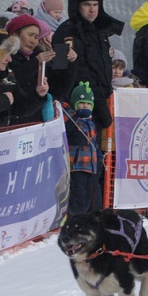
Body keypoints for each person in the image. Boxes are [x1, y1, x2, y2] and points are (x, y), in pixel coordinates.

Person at [53, 0, 123, 130]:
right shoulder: (65, 32)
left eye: (95, 5)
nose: (92, 10)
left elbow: (101, 67)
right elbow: (60, 71)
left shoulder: (99, 31)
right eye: (86, 5)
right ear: (77, 6)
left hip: (97, 102)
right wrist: (99, 104)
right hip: (77, 106)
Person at [4, 14, 55, 125]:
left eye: (36, 37)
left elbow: (59, 87)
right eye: (30, 35)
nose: (33, 41)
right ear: (15, 34)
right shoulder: (4, 57)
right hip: (10, 122)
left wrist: (69, 62)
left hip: (34, 120)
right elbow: (13, 79)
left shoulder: (37, 57)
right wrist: (35, 63)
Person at [64, 82, 100, 215]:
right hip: (77, 165)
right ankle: (76, 217)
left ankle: (84, 216)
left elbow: (94, 142)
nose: (85, 106)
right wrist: (72, 116)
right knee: (77, 195)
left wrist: (98, 156)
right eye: (81, 103)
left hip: (90, 166)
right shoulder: (73, 120)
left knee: (87, 196)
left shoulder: (90, 122)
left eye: (88, 104)